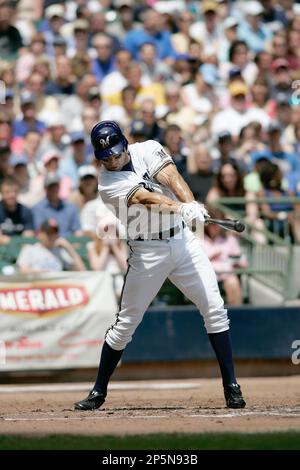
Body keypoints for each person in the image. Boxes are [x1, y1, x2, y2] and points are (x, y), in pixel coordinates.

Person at [74, 120, 246, 411]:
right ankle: (98, 390)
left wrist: (191, 204)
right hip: (147, 250)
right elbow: (145, 198)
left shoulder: (149, 148)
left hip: (182, 241)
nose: (113, 160)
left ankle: (231, 386)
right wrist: (181, 208)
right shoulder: (107, 184)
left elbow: (170, 176)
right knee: (126, 324)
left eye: (116, 153)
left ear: (125, 145)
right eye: (106, 157)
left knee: (215, 309)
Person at [17, 218, 85, 273]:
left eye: (54, 233)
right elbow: (22, 271)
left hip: (57, 287)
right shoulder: (30, 249)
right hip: (37, 285)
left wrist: (69, 248)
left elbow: (81, 271)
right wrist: (42, 273)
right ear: (40, 233)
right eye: (48, 233)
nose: (52, 236)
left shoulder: (60, 251)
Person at [0, 176, 34, 243]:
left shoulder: (26, 211)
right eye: (7, 192)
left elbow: (29, 234)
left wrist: (12, 241)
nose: (11, 195)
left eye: (15, 191)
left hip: (22, 248)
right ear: (2, 193)